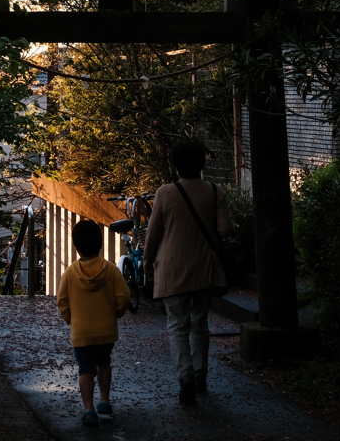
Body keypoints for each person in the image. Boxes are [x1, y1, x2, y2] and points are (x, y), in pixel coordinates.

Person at [144, 140, 233, 404]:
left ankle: (186, 378)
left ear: (176, 165)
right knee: (199, 322)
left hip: (172, 269)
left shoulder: (165, 193)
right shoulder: (214, 191)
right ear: (202, 165)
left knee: (177, 325)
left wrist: (147, 261)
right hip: (204, 268)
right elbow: (226, 229)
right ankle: (200, 374)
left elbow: (153, 234)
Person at [57, 220, 130, 427]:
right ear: (100, 245)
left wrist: (72, 320)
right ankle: (104, 401)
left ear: (76, 246)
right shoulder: (111, 270)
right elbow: (124, 296)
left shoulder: (70, 273)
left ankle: (89, 409)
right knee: (104, 363)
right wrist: (115, 314)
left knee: (85, 369)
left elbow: (62, 301)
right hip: (105, 330)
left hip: (81, 333)